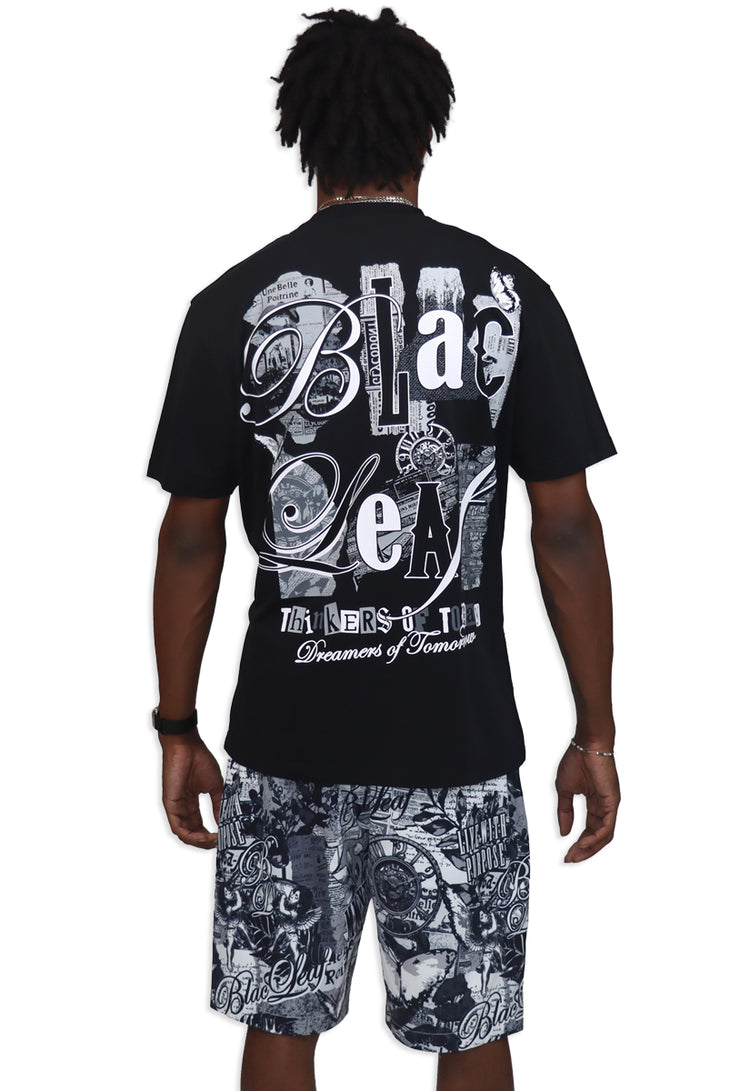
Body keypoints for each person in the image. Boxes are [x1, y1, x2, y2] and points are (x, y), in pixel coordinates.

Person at [146, 8, 621, 1090]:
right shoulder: (508, 296)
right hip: (457, 741)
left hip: (287, 735)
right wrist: (594, 730)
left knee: (280, 1016)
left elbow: (188, 538)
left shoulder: (231, 307)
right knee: (471, 1025)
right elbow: (567, 525)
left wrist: (176, 725)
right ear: (425, 133)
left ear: (304, 133)